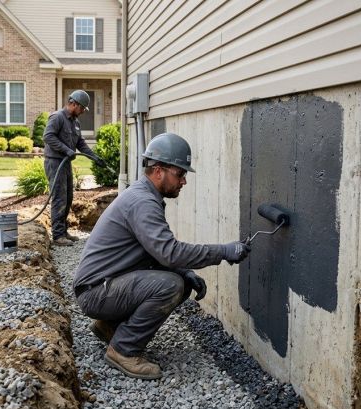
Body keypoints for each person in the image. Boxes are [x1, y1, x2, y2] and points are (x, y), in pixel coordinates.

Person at [72, 133, 251, 380]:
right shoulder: (143, 202)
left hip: (102, 284)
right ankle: (123, 350)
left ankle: (110, 327)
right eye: (180, 174)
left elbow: (153, 253)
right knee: (170, 286)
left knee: (180, 279)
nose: (184, 181)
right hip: (96, 292)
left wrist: (186, 272)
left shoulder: (145, 196)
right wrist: (224, 251)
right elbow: (170, 252)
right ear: (158, 170)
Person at [43, 90, 107, 246]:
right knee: (59, 198)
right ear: (74, 104)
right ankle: (58, 236)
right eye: (83, 108)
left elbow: (81, 144)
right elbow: (48, 136)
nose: (84, 112)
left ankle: (63, 231)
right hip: (55, 163)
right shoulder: (57, 117)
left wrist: (95, 157)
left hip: (65, 163)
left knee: (68, 197)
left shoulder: (75, 122)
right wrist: (66, 150)